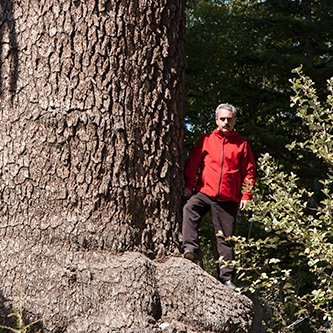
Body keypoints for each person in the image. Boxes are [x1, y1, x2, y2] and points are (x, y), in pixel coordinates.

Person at [182, 103, 256, 290]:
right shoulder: (207, 140)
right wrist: (190, 185)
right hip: (205, 191)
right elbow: (193, 162)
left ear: (234, 121)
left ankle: (226, 278)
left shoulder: (242, 144)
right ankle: (189, 248)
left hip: (228, 198)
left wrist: (246, 195)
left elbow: (249, 172)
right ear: (216, 120)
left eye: (229, 119)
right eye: (222, 119)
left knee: (226, 240)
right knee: (189, 208)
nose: (225, 122)